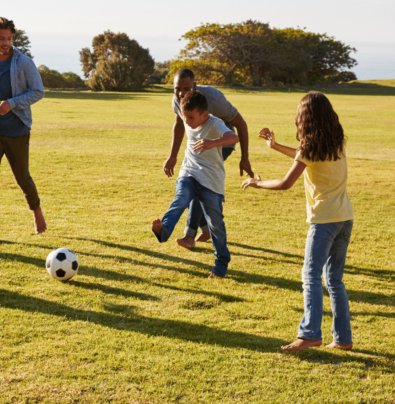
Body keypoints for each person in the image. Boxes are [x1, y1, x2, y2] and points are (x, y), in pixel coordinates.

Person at [242, 92, 354, 352]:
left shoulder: (310, 148)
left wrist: (257, 183)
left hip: (324, 221)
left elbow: (285, 183)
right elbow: (304, 156)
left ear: (305, 119)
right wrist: (276, 146)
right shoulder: (336, 142)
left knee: (310, 275)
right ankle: (343, 338)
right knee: (334, 280)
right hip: (345, 218)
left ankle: (310, 334)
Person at [0, 17, 46, 240]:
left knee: (22, 178)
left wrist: (11, 103)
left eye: (9, 38)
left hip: (17, 131)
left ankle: (37, 213)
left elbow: (38, 91)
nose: (6, 43)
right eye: (1, 38)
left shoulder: (24, 62)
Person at [151, 90, 238, 278]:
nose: (187, 121)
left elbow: (233, 138)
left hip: (211, 180)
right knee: (180, 199)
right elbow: (180, 125)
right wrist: (172, 156)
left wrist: (213, 142)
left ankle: (221, 264)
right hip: (189, 172)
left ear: (204, 115)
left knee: (216, 224)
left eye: (191, 117)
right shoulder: (187, 118)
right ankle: (163, 231)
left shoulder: (214, 123)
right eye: (185, 116)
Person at [164, 68, 254, 250]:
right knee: (190, 181)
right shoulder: (178, 99)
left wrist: (245, 158)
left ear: (194, 86)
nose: (181, 93)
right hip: (200, 144)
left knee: (200, 181)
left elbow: (240, 125)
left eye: (186, 88)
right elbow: (179, 124)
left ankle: (189, 235)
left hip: (223, 142)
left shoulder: (213, 98)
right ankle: (205, 229)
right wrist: (172, 155)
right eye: (176, 89)